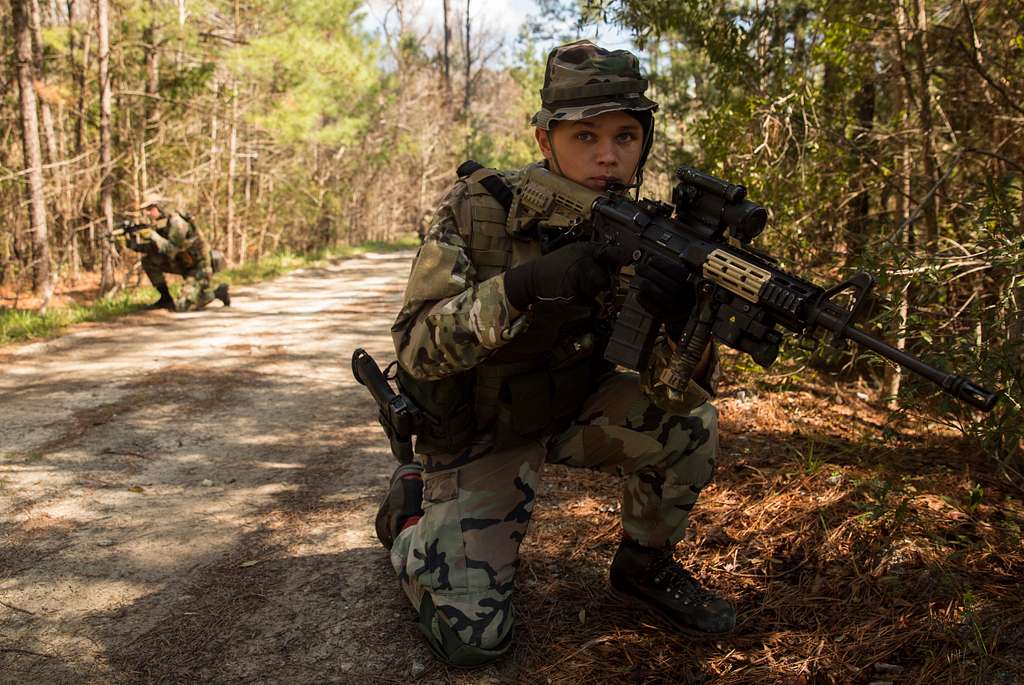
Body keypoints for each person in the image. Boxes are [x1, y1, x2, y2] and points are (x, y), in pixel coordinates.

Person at [376, 40, 734, 668]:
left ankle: (643, 565)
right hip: (482, 428)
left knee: (689, 426)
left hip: (570, 405)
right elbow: (418, 349)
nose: (607, 155)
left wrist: (683, 321)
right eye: (585, 136)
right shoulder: (480, 209)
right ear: (546, 141)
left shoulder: (646, 234)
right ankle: (410, 520)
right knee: (472, 639)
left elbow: (678, 390)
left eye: (626, 136)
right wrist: (522, 287)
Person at [128, 194, 230, 311]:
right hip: (182, 262)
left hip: (198, 267)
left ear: (159, 206)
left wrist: (153, 236)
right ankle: (165, 299)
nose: (147, 213)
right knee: (149, 261)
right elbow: (156, 249)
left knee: (183, 306)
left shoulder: (177, 222)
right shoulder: (161, 224)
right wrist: (132, 245)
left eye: (150, 209)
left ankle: (218, 292)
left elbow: (172, 249)